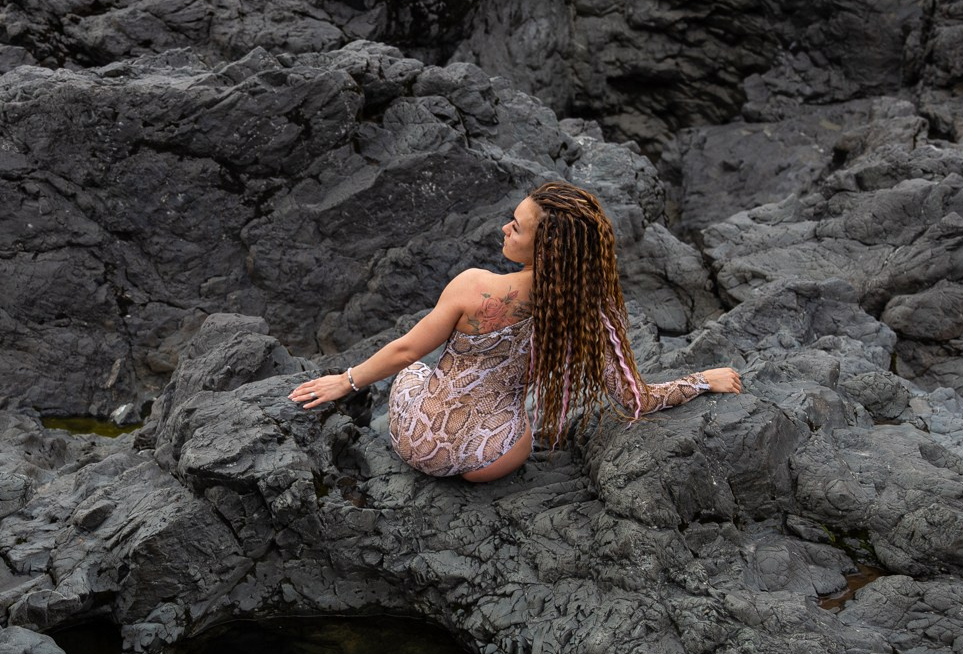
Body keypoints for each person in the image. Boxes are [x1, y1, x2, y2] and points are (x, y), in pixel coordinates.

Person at [289, 181, 743, 482]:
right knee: (523, 426)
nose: (504, 228)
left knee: (418, 374)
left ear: (544, 244)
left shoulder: (474, 287)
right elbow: (634, 400)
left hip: (412, 435)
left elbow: (406, 350)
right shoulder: (590, 313)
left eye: (517, 226)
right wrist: (702, 381)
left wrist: (345, 382)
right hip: (484, 457)